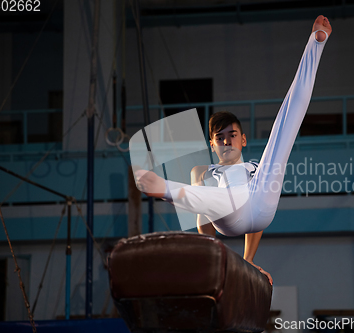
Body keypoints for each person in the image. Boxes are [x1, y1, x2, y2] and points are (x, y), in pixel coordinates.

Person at [134, 15, 332, 285]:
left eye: (232, 135)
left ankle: (316, 45)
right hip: (227, 214)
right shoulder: (203, 170)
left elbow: (256, 218)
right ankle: (167, 189)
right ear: (212, 144)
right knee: (213, 193)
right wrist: (208, 256)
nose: (227, 141)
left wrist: (248, 261)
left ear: (243, 140)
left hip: (259, 205)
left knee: (283, 131)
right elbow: (202, 213)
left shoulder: (256, 169)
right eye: (220, 137)